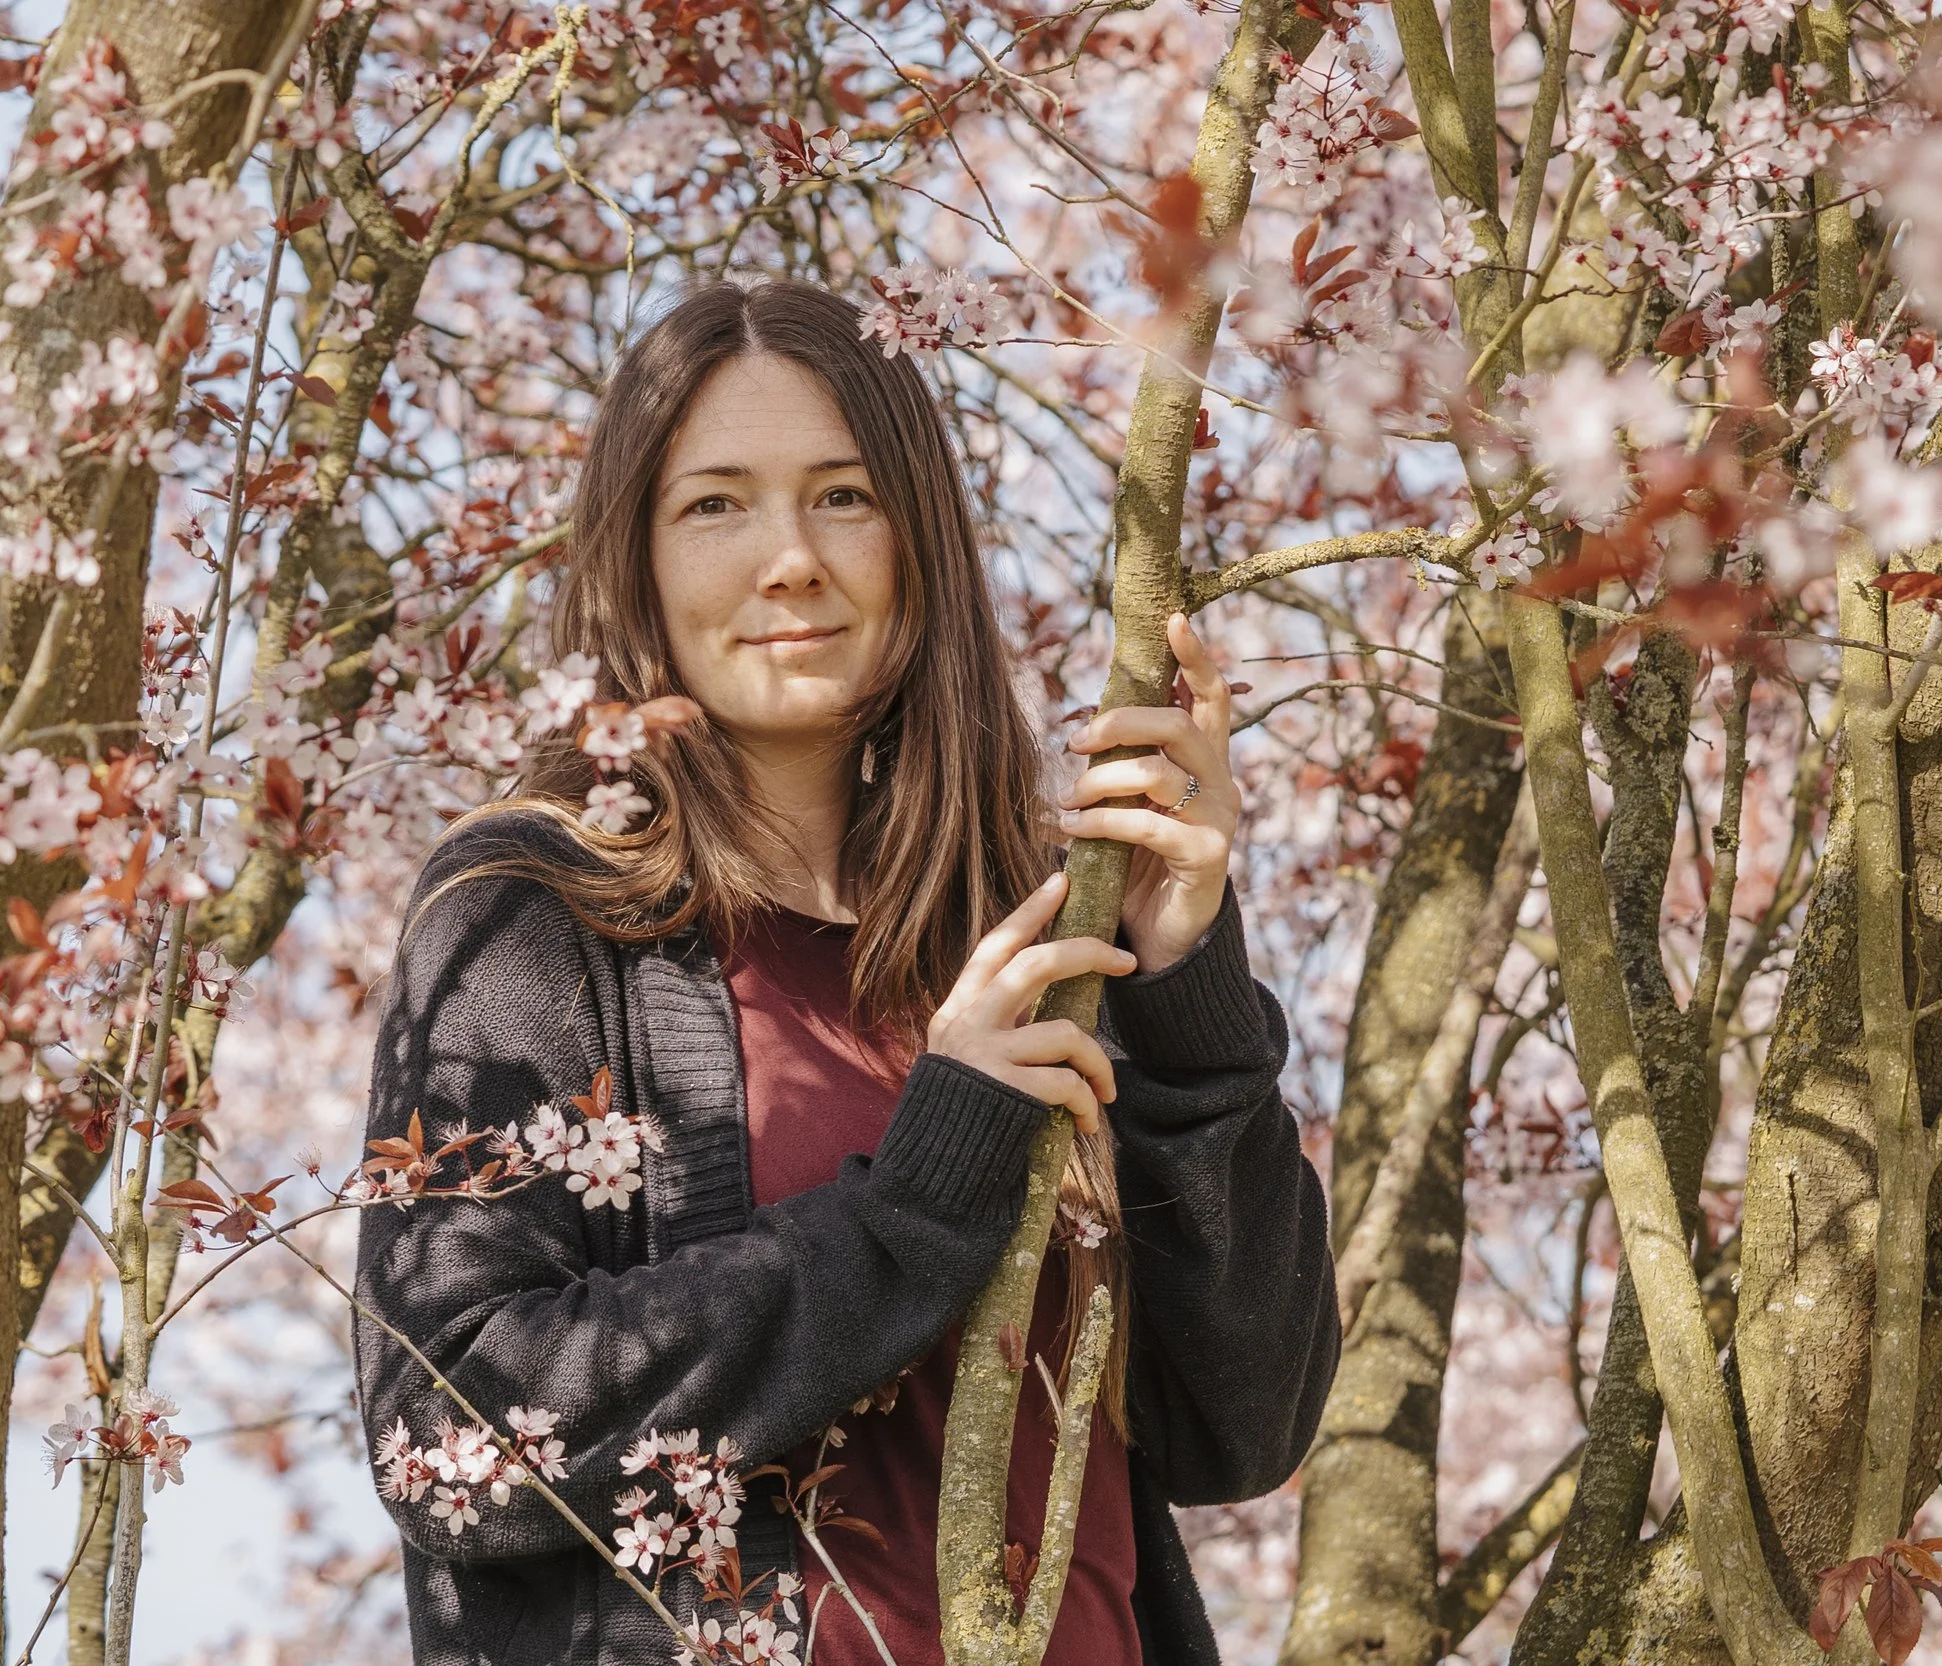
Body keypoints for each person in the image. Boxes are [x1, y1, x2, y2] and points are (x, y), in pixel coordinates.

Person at [352, 278, 1337, 1665]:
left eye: (845, 494)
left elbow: (1244, 1419)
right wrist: (919, 1196)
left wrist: (1181, 988)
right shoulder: (534, 909)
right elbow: (449, 1431)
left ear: (917, 541)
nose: (791, 557)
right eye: (716, 504)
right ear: (631, 555)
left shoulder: (1021, 941)